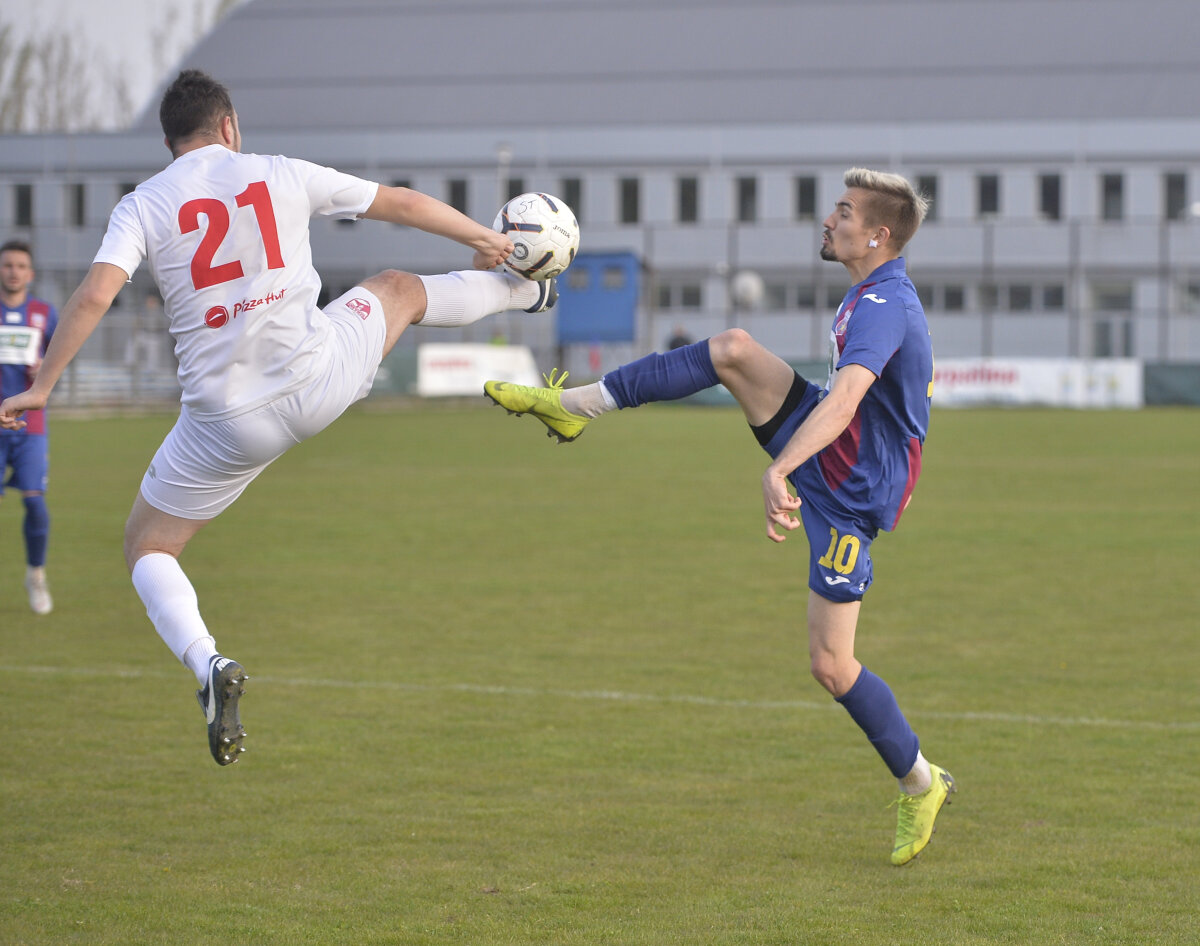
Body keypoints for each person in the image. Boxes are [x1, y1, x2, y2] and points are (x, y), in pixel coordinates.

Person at [0, 69, 556, 767]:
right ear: (229, 127)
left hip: (222, 423)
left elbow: (93, 297)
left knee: (149, 546)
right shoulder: (279, 171)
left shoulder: (143, 204)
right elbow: (403, 203)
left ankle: (207, 664)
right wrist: (492, 241)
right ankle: (524, 296)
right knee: (398, 290)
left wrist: (44, 385)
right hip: (316, 379)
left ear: (171, 143)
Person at [484, 168, 953, 866]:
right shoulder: (870, 291)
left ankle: (921, 783)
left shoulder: (886, 304)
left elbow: (848, 400)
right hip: (836, 457)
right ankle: (572, 407)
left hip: (851, 495)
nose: (830, 219)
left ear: (877, 235)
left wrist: (779, 468)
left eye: (844, 211)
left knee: (831, 664)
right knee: (731, 348)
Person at [0, 240, 58, 615]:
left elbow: (58, 361)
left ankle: (36, 574)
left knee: (35, 505)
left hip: (30, 424)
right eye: (8, 265)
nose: (14, 271)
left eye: (21, 266)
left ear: (30, 273)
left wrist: (45, 373)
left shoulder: (44, 313)